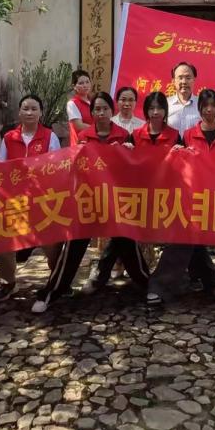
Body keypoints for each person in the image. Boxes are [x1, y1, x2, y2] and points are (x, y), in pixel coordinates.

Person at [32, 92, 131, 313]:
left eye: (105, 108)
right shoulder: (85, 136)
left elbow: (130, 168)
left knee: (128, 244)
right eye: (97, 109)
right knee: (73, 247)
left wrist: (127, 152)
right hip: (88, 200)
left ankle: (148, 285)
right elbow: (73, 166)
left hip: (115, 202)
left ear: (112, 111)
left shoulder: (123, 135)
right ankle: (50, 293)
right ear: (92, 112)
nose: (101, 113)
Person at [147, 89, 215, 305]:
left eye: (213, 106)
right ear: (199, 109)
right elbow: (178, 168)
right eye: (205, 106)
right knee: (186, 237)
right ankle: (160, 286)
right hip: (193, 199)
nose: (209, 110)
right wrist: (177, 153)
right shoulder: (187, 136)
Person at [83, 91, 175, 294]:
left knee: (123, 232)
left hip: (165, 196)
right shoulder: (135, 135)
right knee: (123, 231)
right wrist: (123, 150)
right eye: (151, 108)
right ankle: (142, 280)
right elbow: (126, 164)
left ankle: (102, 274)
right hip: (137, 195)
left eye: (159, 108)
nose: (155, 112)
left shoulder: (176, 135)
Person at [0, 94, 63, 301]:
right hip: (15, 200)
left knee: (52, 243)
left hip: (42, 200)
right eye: (25, 108)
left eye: (34, 109)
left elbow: (56, 168)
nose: (30, 112)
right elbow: (1, 168)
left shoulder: (50, 137)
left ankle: (57, 280)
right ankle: (8, 282)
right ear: (19, 112)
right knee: (5, 241)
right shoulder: (9, 138)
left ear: (41, 112)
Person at [166, 61, 202, 135]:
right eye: (180, 78)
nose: (184, 82)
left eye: (188, 78)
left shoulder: (202, 105)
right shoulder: (166, 104)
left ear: (194, 80)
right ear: (173, 81)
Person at [66, 69, 93, 146]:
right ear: (74, 86)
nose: (85, 85)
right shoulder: (72, 103)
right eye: (81, 83)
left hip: (94, 141)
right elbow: (79, 126)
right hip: (80, 144)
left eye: (87, 82)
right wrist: (98, 129)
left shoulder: (93, 101)